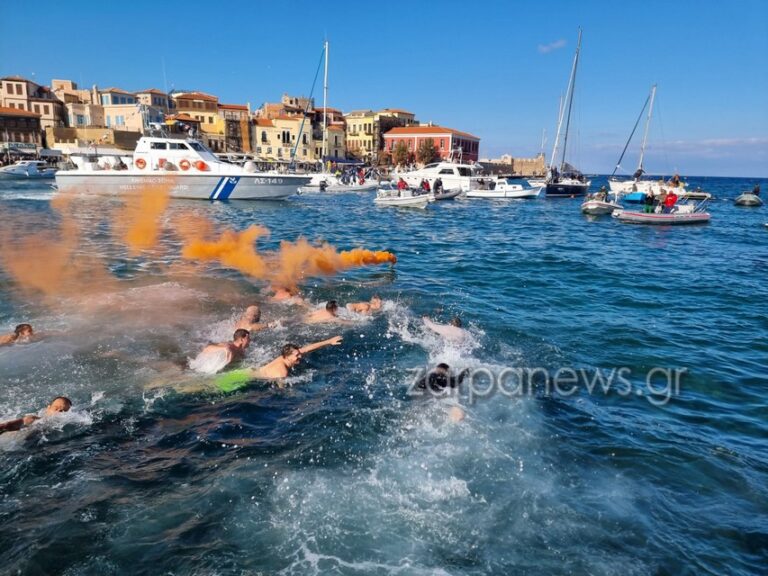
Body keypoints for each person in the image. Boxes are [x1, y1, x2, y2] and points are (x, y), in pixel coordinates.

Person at [251, 336, 343, 379]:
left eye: (299, 353)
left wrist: (329, 341)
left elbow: (307, 349)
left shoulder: (285, 356)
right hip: (246, 378)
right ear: (287, 357)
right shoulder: (282, 371)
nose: (300, 356)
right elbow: (279, 391)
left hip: (250, 371)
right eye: (296, 355)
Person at [0, 397, 72, 434]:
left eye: (64, 411)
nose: (59, 412)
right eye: (56, 408)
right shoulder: (35, 419)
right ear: (48, 408)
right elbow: (7, 425)